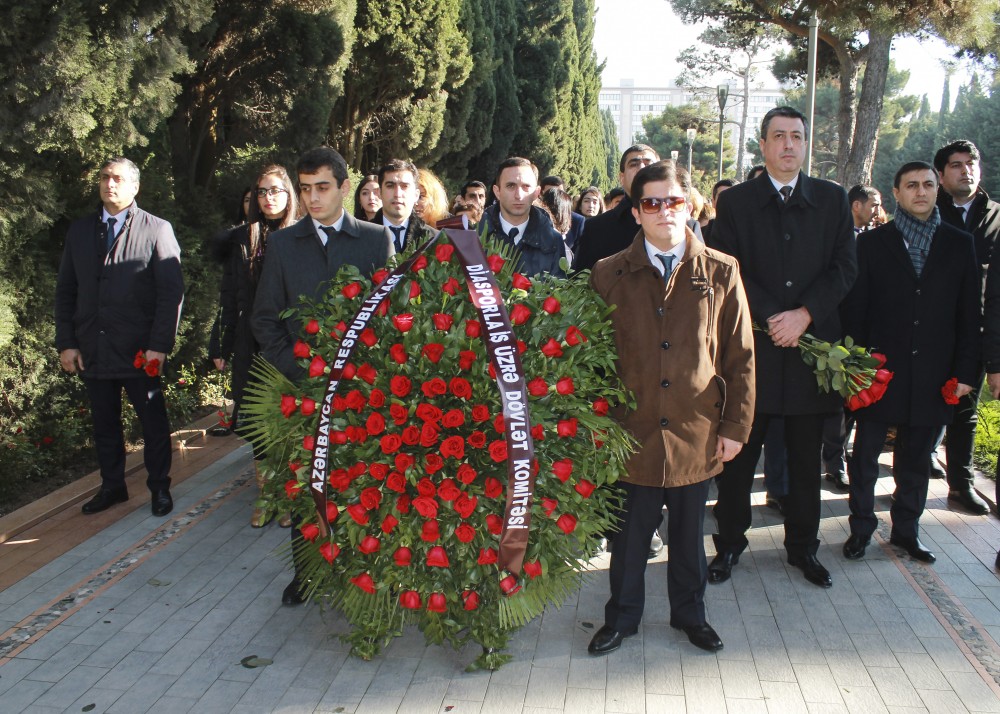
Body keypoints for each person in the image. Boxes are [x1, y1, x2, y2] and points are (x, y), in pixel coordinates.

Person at [587, 161, 754, 655]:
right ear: (636, 212)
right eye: (652, 203)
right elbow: (593, 359)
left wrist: (735, 426)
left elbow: (740, 355)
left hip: (695, 429)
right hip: (631, 431)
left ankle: (691, 615)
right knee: (630, 539)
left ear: (690, 204)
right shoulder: (608, 273)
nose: (664, 211)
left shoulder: (721, 272)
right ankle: (621, 618)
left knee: (688, 538)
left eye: (673, 200)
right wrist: (597, 426)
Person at [708, 107, 857, 589]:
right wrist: (775, 316)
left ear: (806, 144)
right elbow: (726, 267)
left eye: (797, 136)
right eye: (779, 136)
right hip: (753, 353)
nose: (789, 144)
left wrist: (805, 314)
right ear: (764, 145)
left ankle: (803, 549)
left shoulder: (833, 200)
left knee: (803, 462)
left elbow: (844, 268)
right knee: (739, 461)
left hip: (812, 352)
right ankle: (729, 544)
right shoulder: (737, 203)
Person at [252, 147, 394, 605]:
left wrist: (366, 372)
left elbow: (390, 314)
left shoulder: (376, 240)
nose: (313, 198)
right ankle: (306, 574)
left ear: (344, 188)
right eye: (306, 189)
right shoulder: (282, 244)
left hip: (363, 390)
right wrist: (301, 373)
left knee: (362, 481)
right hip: (304, 392)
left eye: (323, 188)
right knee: (305, 484)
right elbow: (265, 319)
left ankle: (365, 568)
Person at [841, 161, 980, 563]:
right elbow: (856, 310)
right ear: (897, 193)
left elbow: (970, 313)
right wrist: (854, 367)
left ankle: (906, 531)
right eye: (911, 185)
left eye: (928, 184)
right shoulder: (871, 243)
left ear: (938, 189)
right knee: (866, 457)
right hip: (879, 372)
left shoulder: (958, 243)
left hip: (935, 372)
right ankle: (861, 529)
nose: (921, 191)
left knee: (916, 460)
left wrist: (965, 372)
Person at [55, 158, 184, 517]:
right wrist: (67, 342)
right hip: (93, 348)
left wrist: (160, 346)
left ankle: (159, 487)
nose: (109, 184)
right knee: (104, 424)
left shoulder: (156, 229)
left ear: (134, 187)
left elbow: (170, 294)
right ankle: (112, 486)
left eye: (117, 179)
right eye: (104, 178)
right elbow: (66, 290)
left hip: (140, 351)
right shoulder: (80, 232)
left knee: (153, 423)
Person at [210, 164, 299, 527]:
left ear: (289, 194)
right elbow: (230, 295)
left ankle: (292, 495)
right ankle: (268, 494)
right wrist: (222, 342)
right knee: (260, 422)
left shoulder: (302, 235)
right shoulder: (244, 238)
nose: (268, 198)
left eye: (275, 190)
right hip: (252, 343)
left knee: (292, 420)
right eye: (262, 191)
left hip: (291, 341)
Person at [932, 139, 999, 515]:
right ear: (941, 176)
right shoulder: (926, 212)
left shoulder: (996, 217)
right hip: (931, 330)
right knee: (919, 409)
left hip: (975, 332)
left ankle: (960, 483)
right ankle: (907, 480)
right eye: (956, 165)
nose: (966, 170)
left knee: (965, 411)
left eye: (971, 163)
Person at [481, 157, 567, 277]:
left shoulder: (553, 241)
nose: (519, 195)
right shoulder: (475, 237)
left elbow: (559, 291)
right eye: (510, 186)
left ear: (536, 193)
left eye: (526, 186)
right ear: (497, 191)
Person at [372, 159, 435, 253]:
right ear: (379, 193)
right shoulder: (362, 236)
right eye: (390, 186)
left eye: (404, 186)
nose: (397, 194)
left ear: (416, 195)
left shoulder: (433, 239)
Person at [540, 175, 586, 251]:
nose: (555, 198)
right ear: (541, 194)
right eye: (550, 194)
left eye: (559, 193)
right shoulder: (534, 216)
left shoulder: (577, 221)